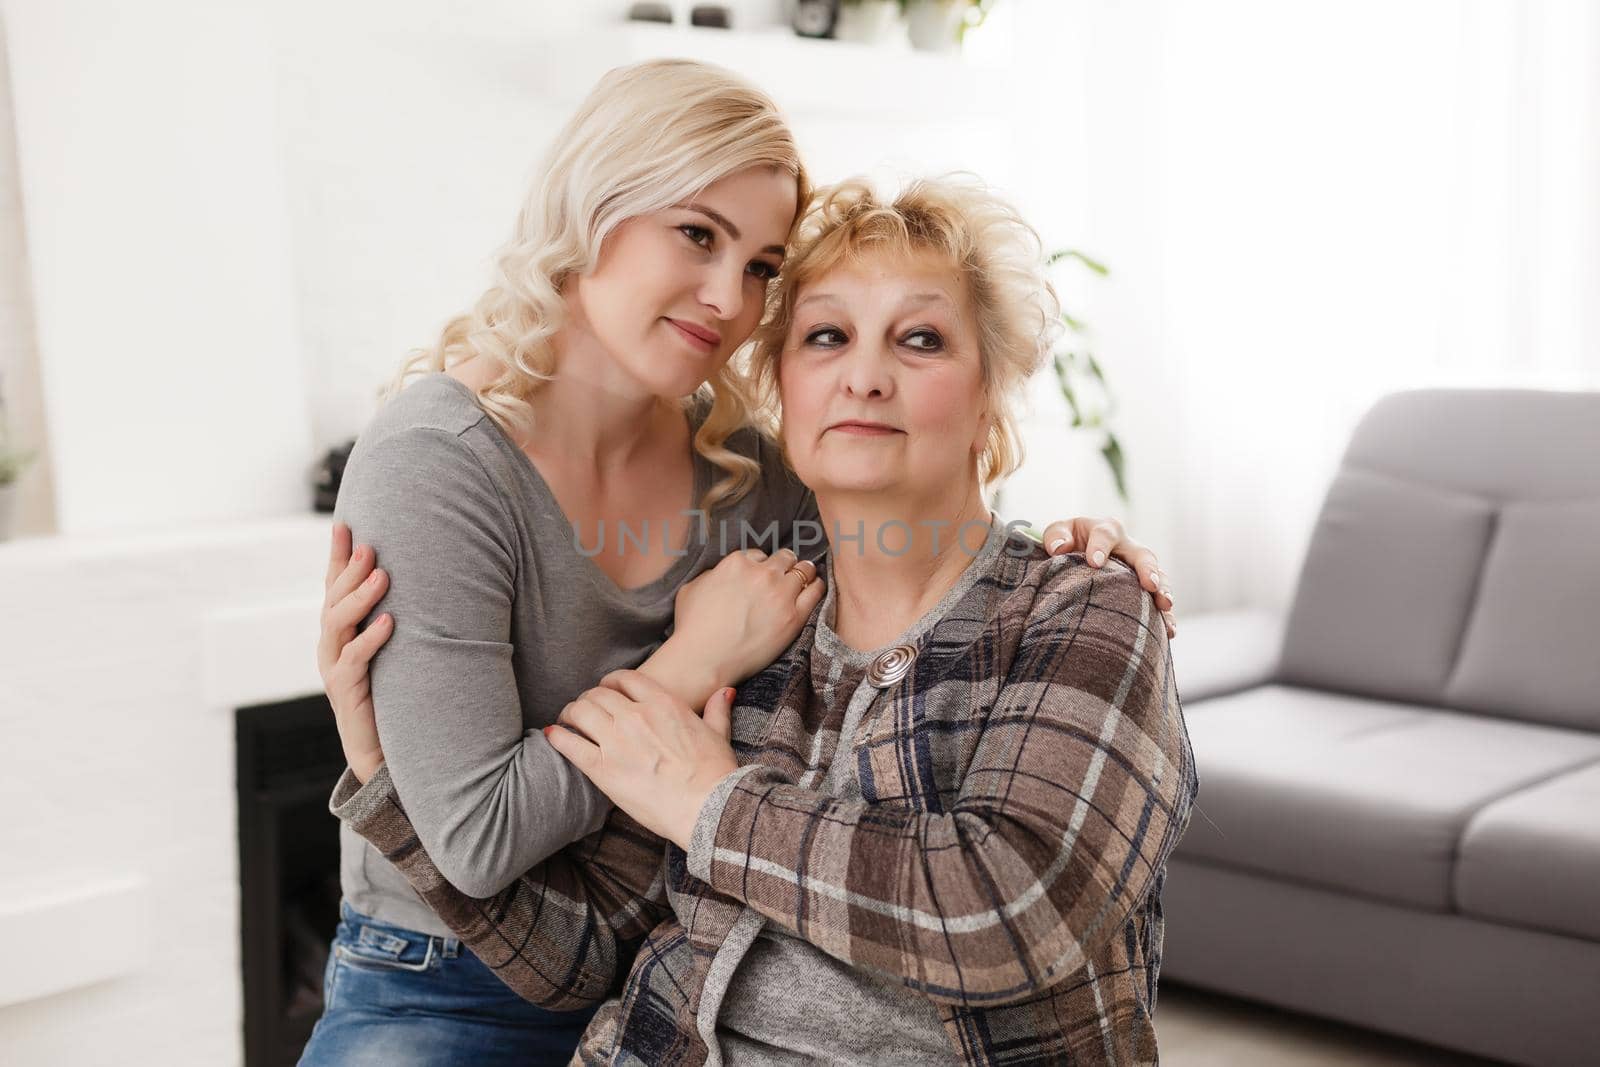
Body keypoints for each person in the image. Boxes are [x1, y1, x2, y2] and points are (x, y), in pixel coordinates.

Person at [321, 175, 1196, 1065]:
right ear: (783, 389)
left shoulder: (1084, 612)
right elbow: (577, 957)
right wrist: (382, 770)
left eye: (921, 340)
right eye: (826, 337)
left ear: (989, 398)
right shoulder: (754, 630)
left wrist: (711, 803)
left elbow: (1011, 912)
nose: (864, 376)